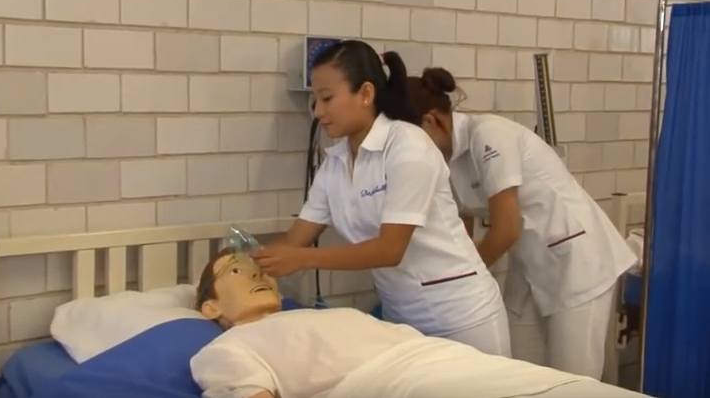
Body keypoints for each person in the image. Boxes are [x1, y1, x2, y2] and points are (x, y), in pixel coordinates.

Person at [249, 40, 511, 357]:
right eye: (316, 100)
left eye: (327, 98)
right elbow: (295, 240)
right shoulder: (334, 164)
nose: (318, 112)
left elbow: (390, 249)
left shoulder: (408, 146)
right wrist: (246, 260)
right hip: (402, 319)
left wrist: (303, 259)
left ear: (366, 93)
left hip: (462, 316)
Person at [404, 67, 637, 379]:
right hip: (528, 262)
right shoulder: (445, 159)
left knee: (572, 377)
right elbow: (461, 229)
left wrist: (463, 281)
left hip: (577, 261)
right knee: (519, 371)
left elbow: (506, 229)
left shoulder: (488, 135)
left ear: (430, 120)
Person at [190, 251, 593, 398]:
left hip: (441, 358)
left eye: (259, 268)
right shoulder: (226, 348)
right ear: (210, 307)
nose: (256, 273)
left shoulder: (316, 315)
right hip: (390, 383)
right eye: (236, 270)